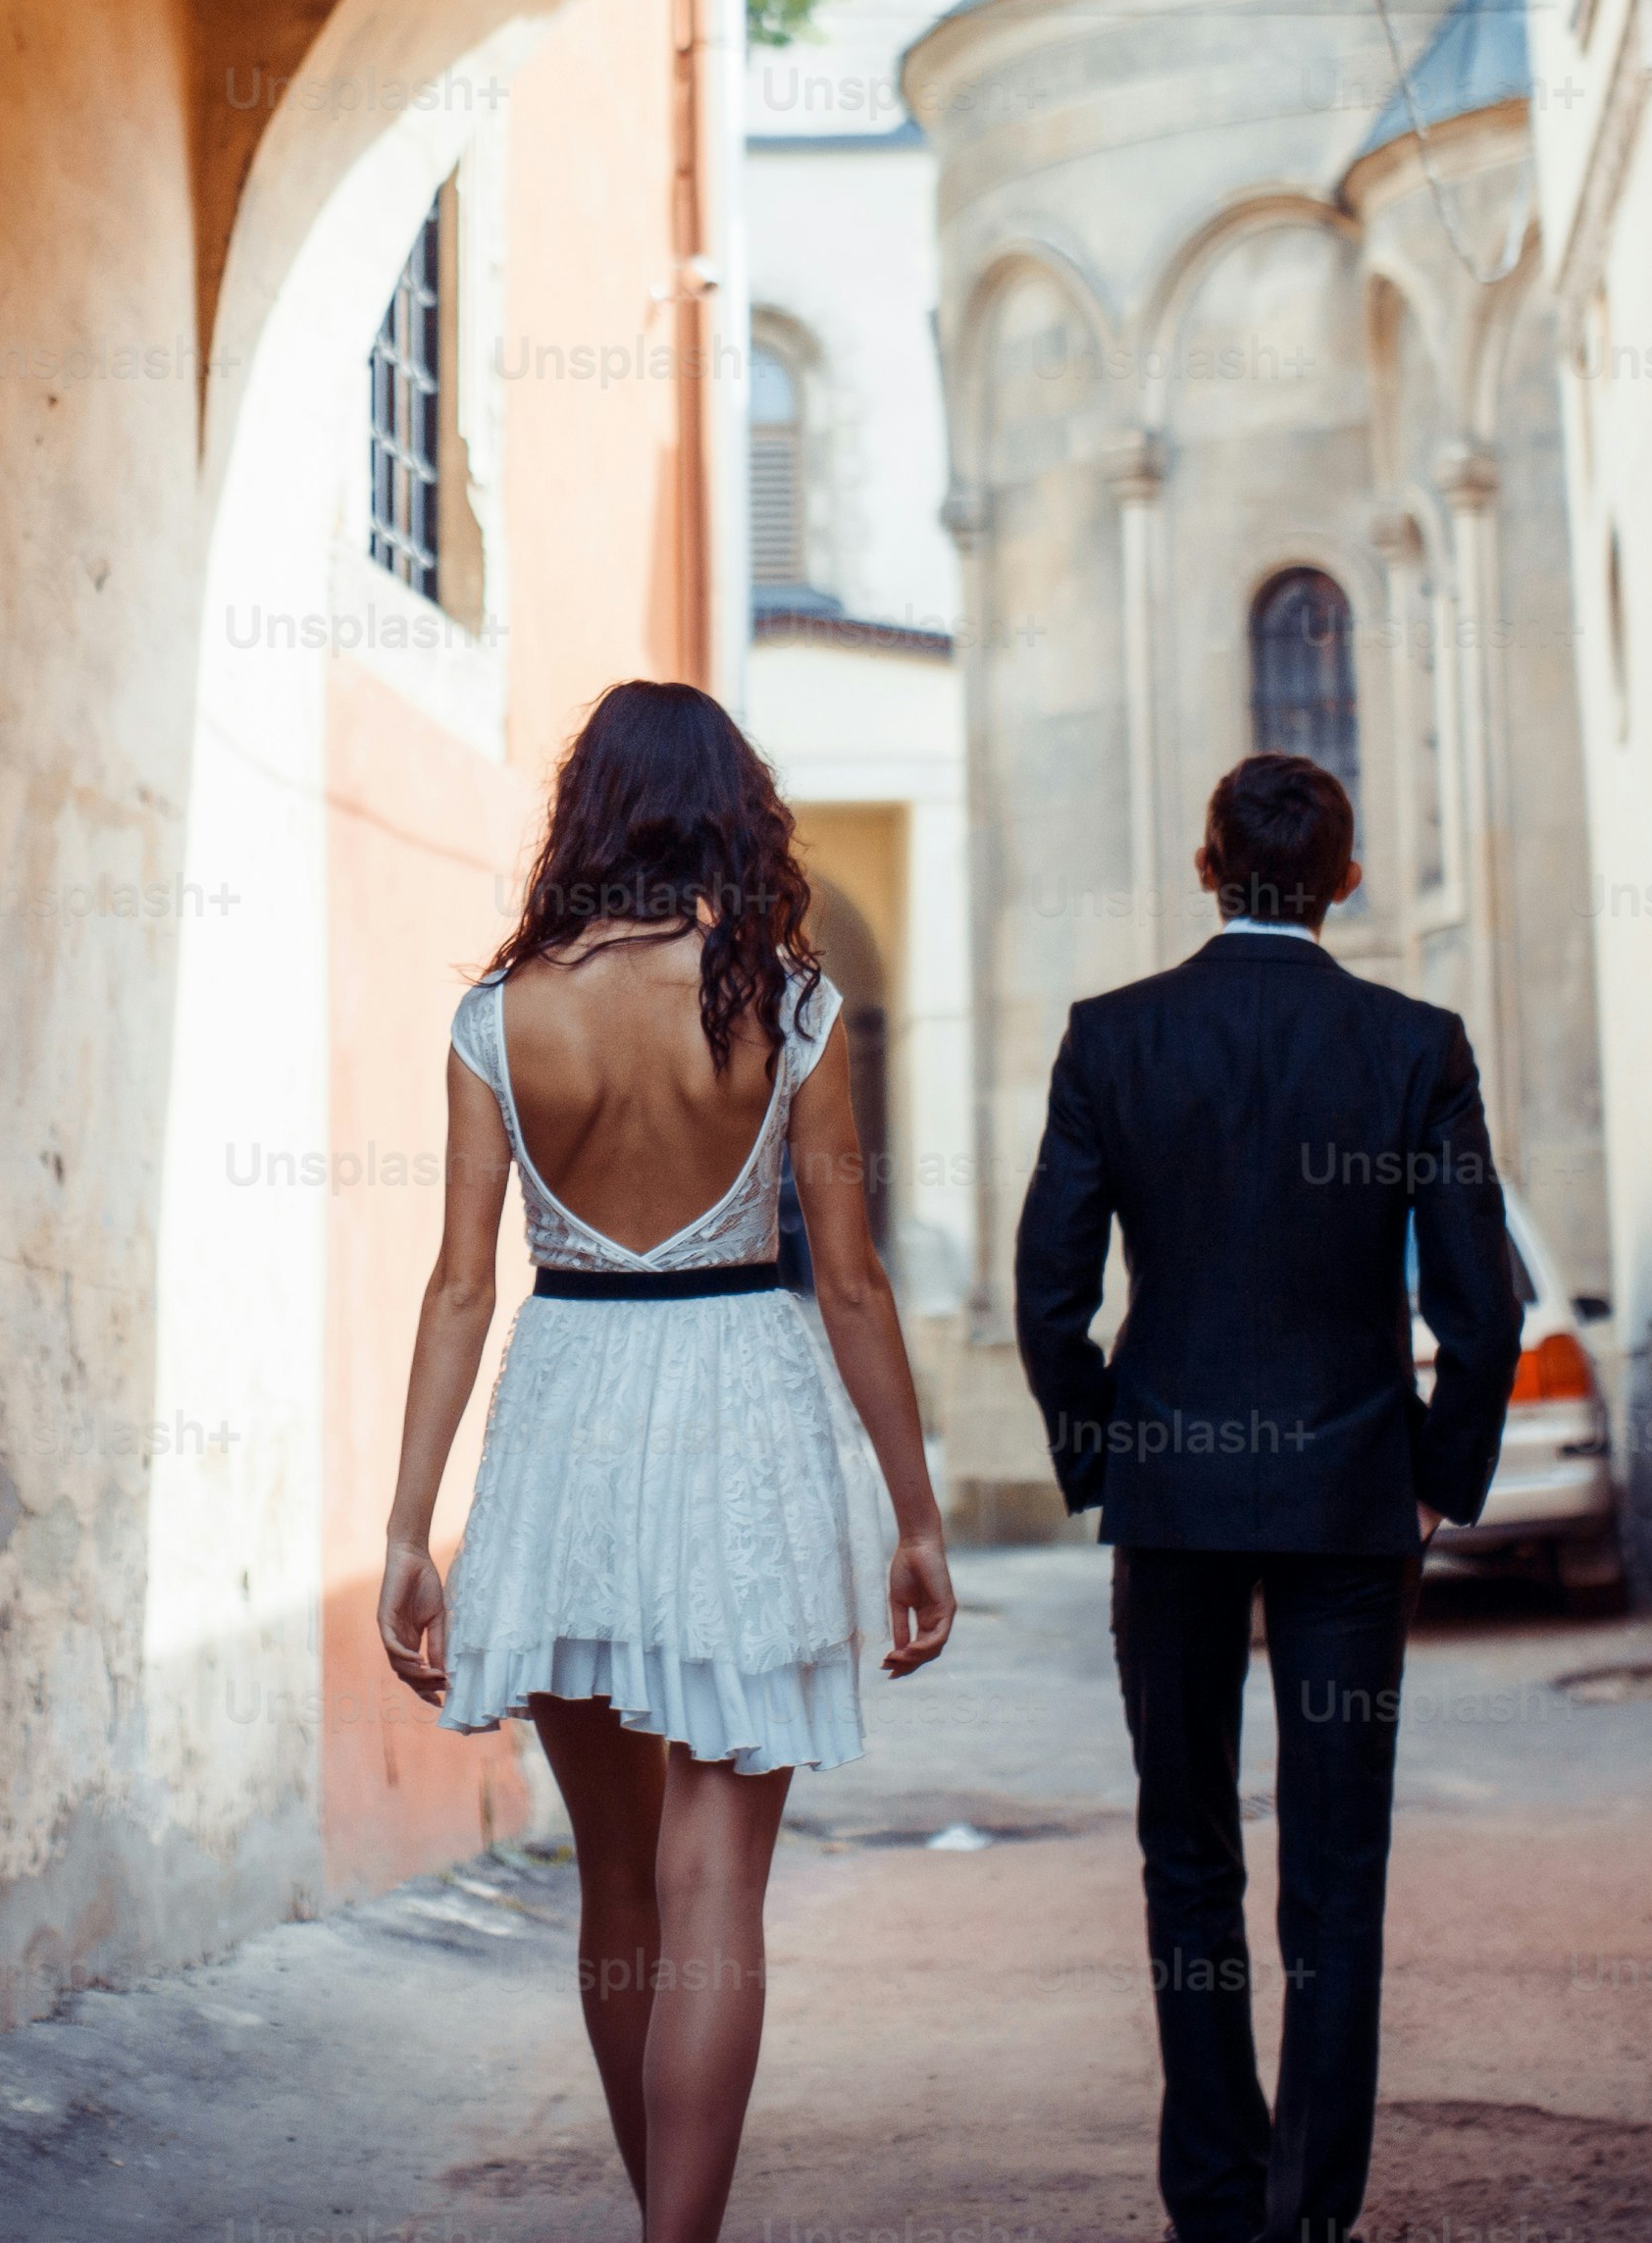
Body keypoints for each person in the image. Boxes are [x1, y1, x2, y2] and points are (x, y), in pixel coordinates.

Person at [377, 678, 958, 2243]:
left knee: (616, 1883)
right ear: (728, 813)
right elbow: (848, 1279)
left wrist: (407, 1529)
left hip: (566, 1410)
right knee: (716, 1889)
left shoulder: (498, 1017)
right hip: (739, 1411)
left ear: (587, 814)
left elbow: (454, 1283)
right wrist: (915, 1516)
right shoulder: (789, 999)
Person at [1014, 750, 1518, 2243]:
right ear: (1346, 881)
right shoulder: (1411, 1046)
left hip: (1171, 1500)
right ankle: (1307, 2214)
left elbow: (1050, 1293)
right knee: (1335, 1869)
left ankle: (1216, 2202)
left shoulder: (1114, 1039)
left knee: (1185, 1855)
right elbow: (1478, 1305)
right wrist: (1432, 1475)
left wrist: (1107, 1449)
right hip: (1350, 1503)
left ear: (1200, 864)